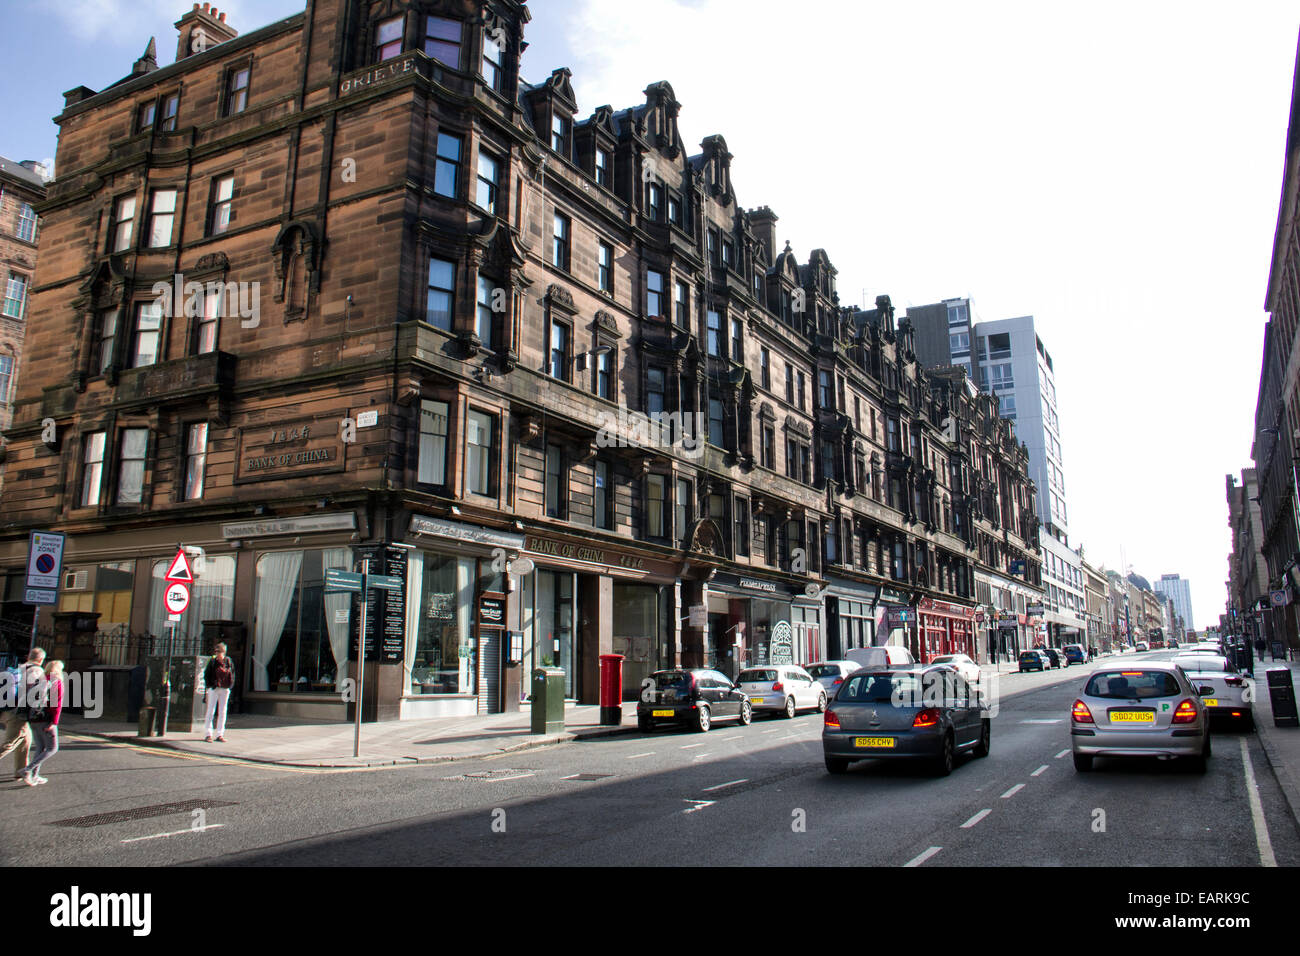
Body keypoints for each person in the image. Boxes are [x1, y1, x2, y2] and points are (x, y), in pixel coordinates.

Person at [1, 648, 46, 781]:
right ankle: (23, 771)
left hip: (9, 710)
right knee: (10, 743)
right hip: (19, 714)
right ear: (41, 659)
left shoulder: (20, 668)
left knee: (25, 740)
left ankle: (21, 771)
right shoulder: (37, 671)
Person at [20, 659, 63, 786]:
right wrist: (54, 722)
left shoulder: (39, 680)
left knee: (40, 747)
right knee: (52, 748)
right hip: (46, 719)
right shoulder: (56, 682)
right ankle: (27, 770)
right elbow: (56, 705)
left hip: (33, 718)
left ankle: (34, 775)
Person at [203, 643, 235, 743]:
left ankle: (220, 734)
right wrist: (210, 686)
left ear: (223, 652)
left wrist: (230, 686)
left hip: (224, 689)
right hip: (214, 688)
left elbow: (232, 674)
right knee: (210, 711)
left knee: (222, 712)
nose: (217, 654)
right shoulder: (213, 661)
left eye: (219, 652)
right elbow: (206, 674)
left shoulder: (228, 661)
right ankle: (208, 734)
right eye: (216, 652)